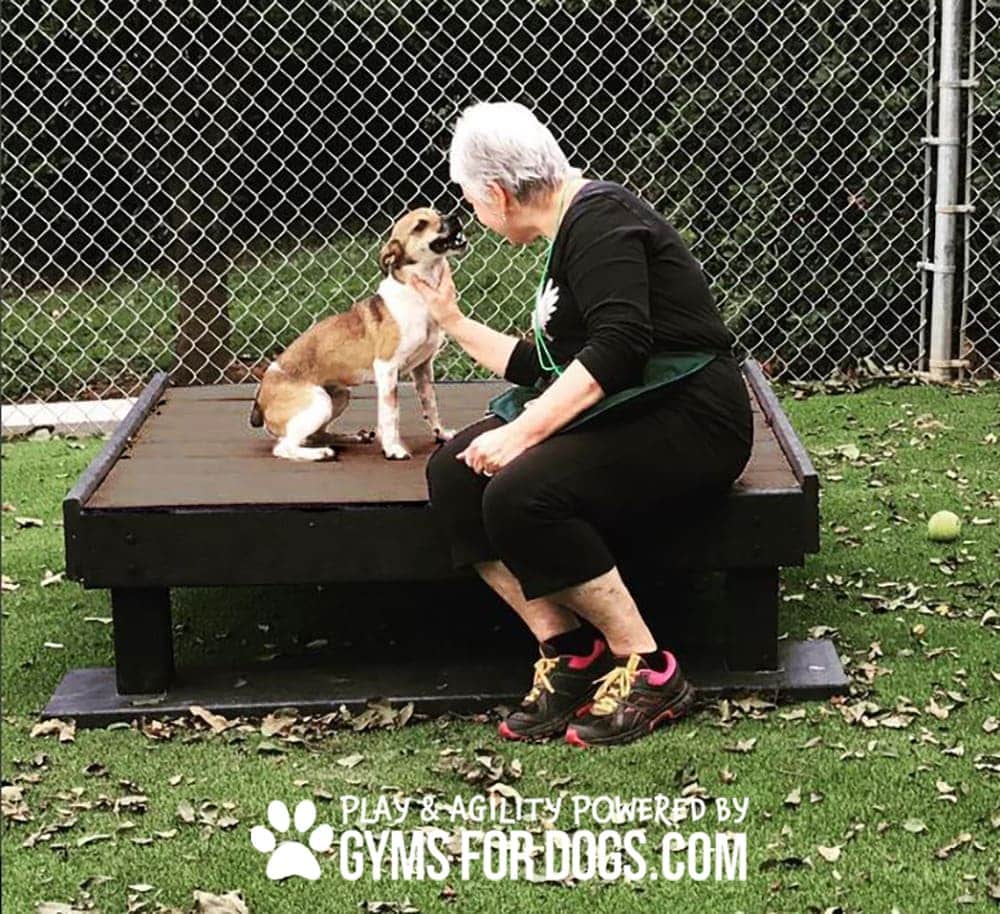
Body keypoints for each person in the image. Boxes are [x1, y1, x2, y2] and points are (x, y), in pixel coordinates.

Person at [407, 101, 753, 748]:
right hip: (635, 405)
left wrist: (522, 433)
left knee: (520, 491)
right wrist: (450, 321)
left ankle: (649, 667)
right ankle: (569, 653)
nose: (472, 212)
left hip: (693, 418)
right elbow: (543, 367)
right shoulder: (571, 228)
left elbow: (618, 349)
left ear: (498, 194)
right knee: (453, 473)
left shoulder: (601, 220)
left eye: (470, 199)